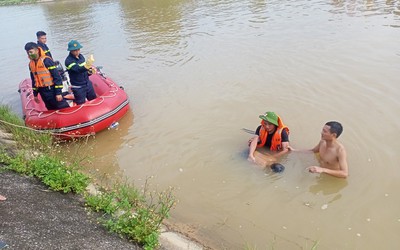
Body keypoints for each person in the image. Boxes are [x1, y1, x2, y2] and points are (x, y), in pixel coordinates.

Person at [24, 42, 69, 110]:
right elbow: (34, 80)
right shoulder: (31, 64)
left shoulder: (46, 61)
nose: (29, 54)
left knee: (62, 106)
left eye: (31, 52)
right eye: (27, 53)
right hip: (42, 91)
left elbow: (57, 77)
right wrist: (35, 94)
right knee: (50, 108)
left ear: (36, 50)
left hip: (52, 89)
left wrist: (58, 93)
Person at [65, 40, 96, 105]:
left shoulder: (81, 57)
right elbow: (77, 70)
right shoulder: (68, 61)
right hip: (78, 86)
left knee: (94, 100)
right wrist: (87, 66)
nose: (77, 51)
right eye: (75, 50)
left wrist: (90, 71)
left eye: (78, 49)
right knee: (81, 104)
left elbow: (84, 70)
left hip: (87, 83)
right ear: (70, 51)